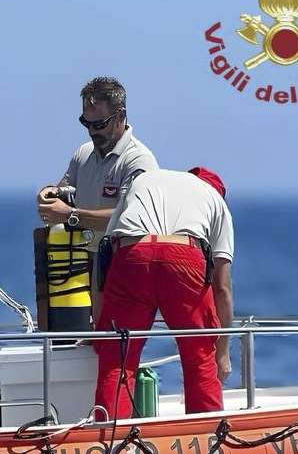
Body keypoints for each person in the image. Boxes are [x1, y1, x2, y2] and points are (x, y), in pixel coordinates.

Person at [92, 167, 234, 420]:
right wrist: (222, 352)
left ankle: (109, 443)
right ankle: (207, 438)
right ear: (218, 192)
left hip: (132, 254)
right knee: (199, 356)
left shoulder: (144, 180)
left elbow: (105, 258)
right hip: (184, 256)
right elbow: (221, 288)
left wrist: (101, 330)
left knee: (118, 360)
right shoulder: (215, 201)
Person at [36, 77, 158, 312]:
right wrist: (49, 195)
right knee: (81, 337)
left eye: (99, 124)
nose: (92, 131)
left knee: (113, 340)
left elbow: (129, 219)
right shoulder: (84, 153)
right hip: (82, 265)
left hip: (121, 267)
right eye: (86, 123)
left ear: (121, 115)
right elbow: (64, 188)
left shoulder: (139, 161)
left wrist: (71, 215)